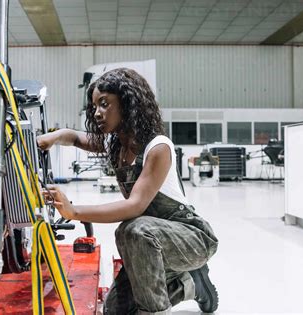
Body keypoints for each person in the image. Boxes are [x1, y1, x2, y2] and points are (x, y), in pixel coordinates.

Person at [37, 68, 218, 315]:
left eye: (104, 104)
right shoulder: (116, 144)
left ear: (127, 103)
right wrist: (53, 137)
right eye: (94, 107)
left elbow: (135, 206)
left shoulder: (158, 147)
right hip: (150, 243)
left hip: (191, 239)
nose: (97, 113)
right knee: (114, 311)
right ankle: (190, 284)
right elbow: (77, 138)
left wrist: (75, 211)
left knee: (132, 229)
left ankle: (157, 309)